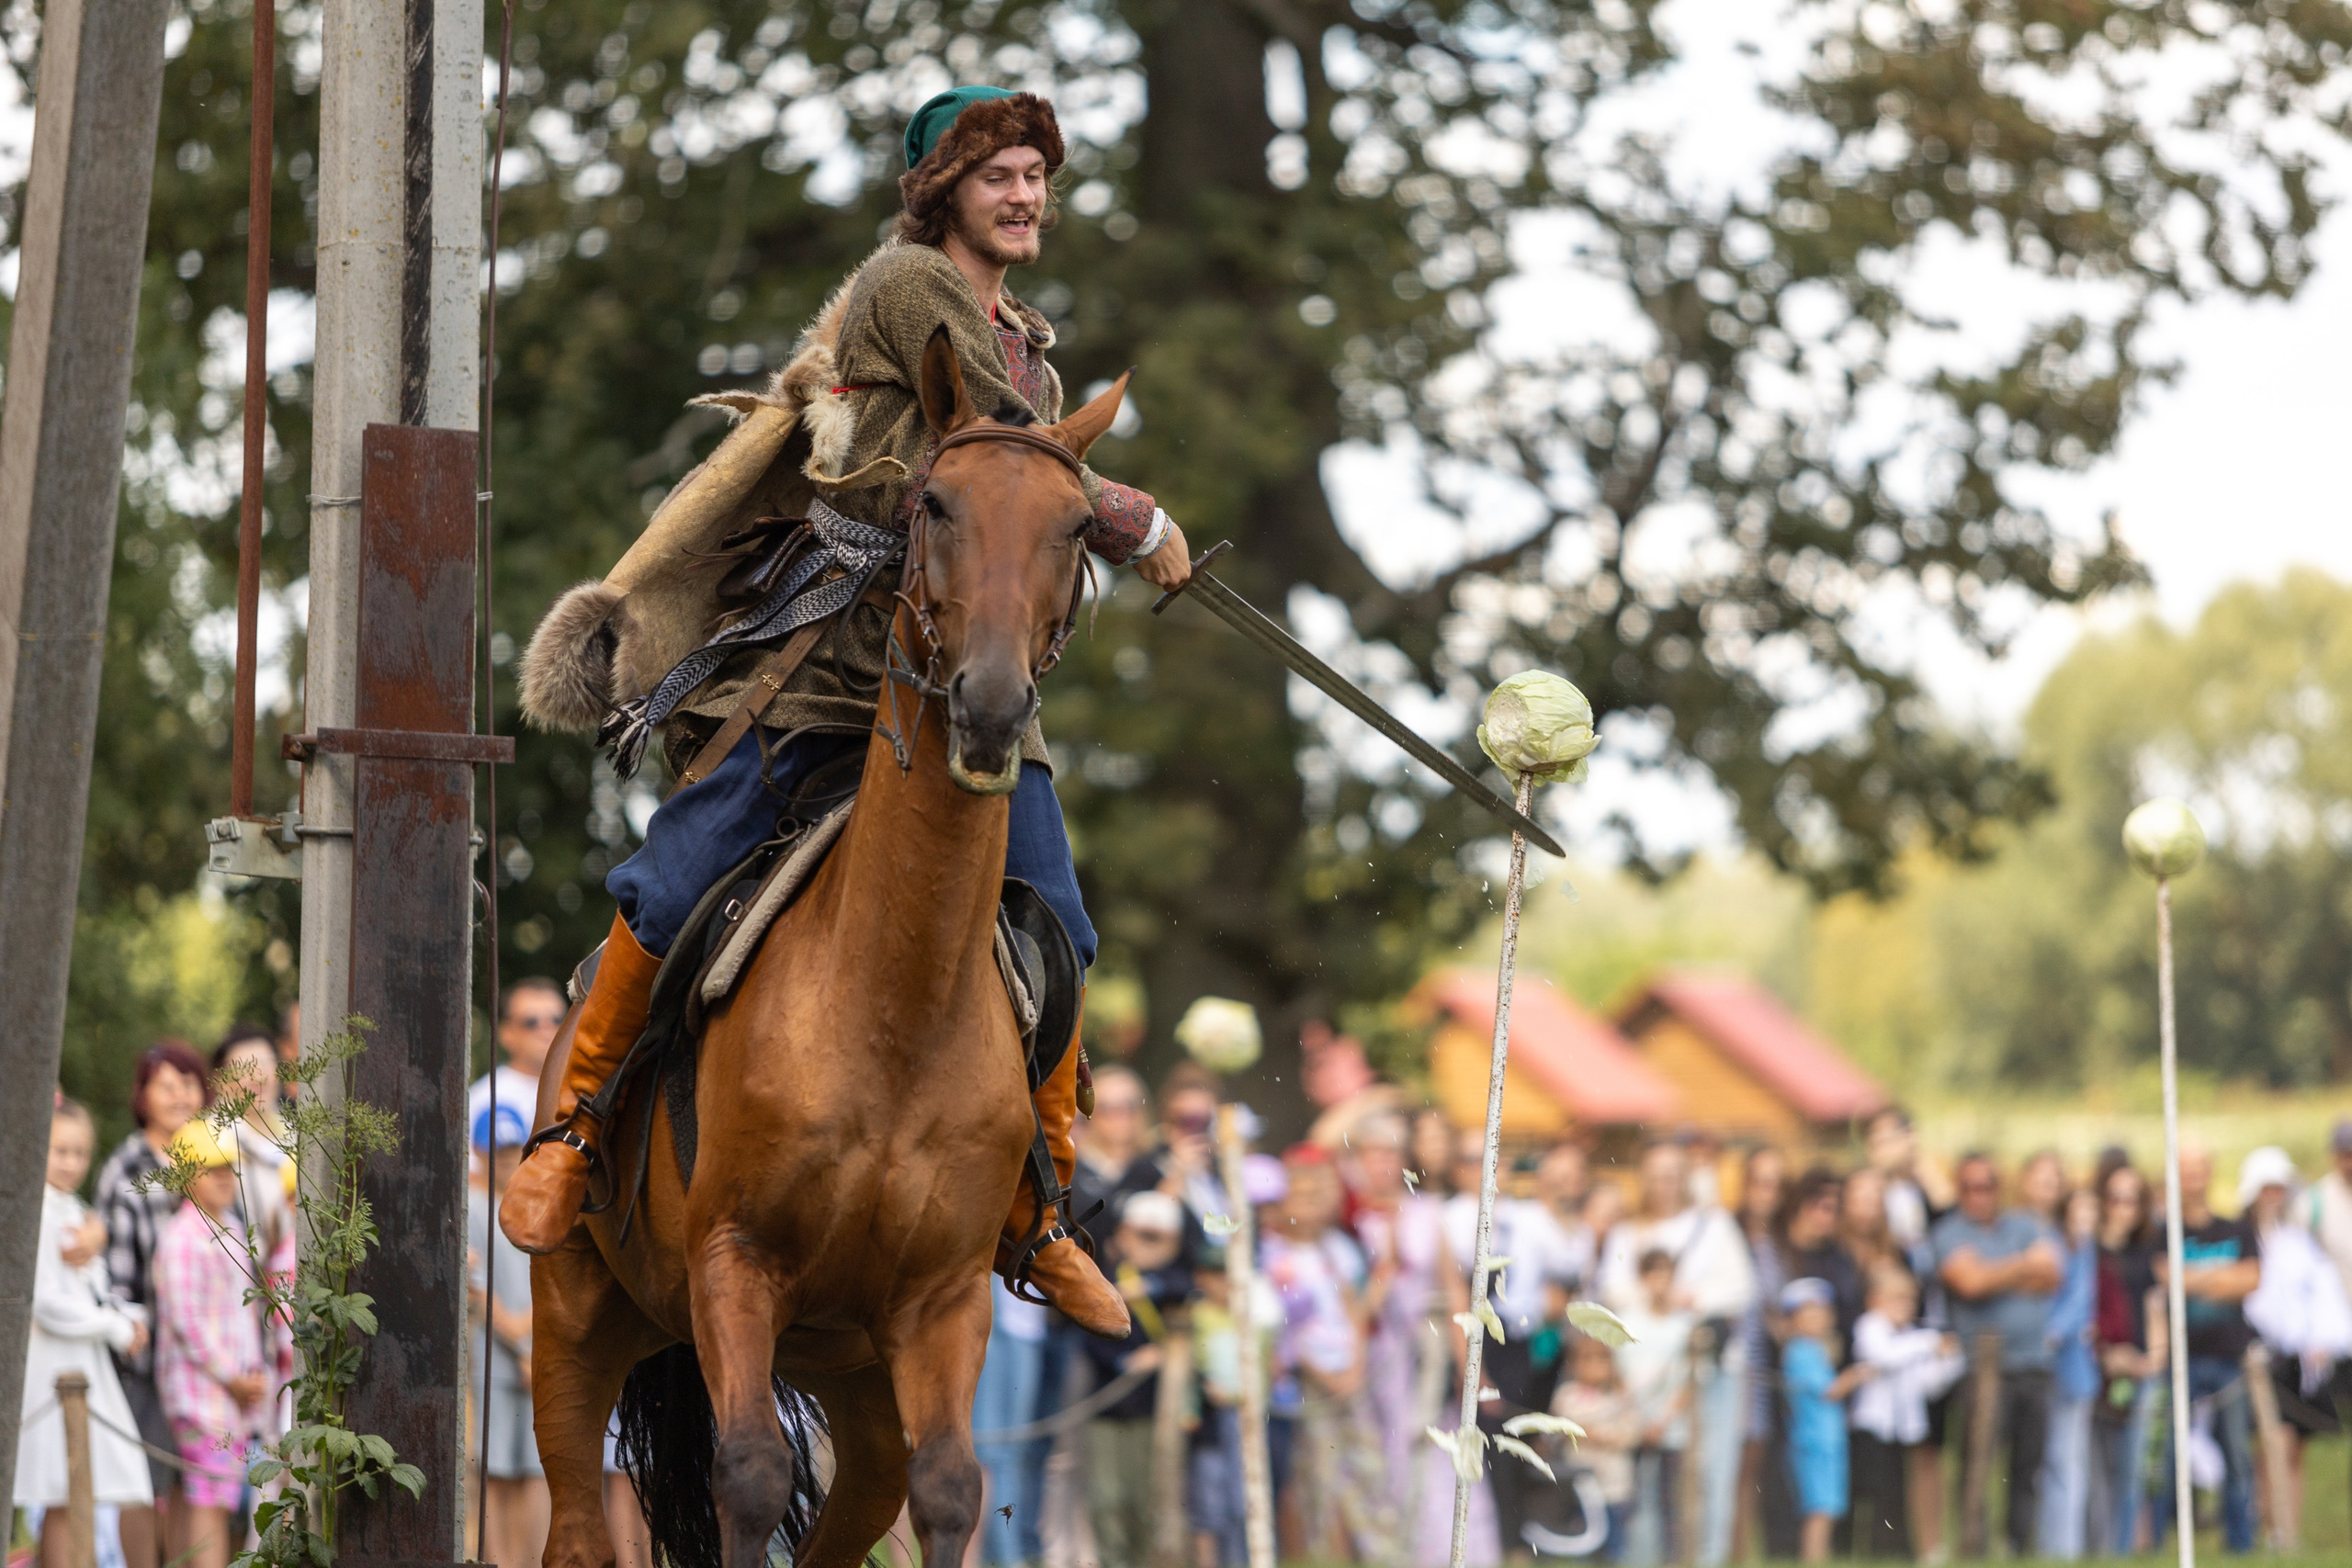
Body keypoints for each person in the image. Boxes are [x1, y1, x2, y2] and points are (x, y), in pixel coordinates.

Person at [500, 85, 1195, 1346]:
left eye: (1039, 173)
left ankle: (1038, 1212)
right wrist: (1129, 515)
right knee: (673, 880)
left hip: (979, 697)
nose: (1026, 193)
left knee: (1068, 933)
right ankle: (576, 1123)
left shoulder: (1029, 340)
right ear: (945, 190)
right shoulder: (907, 286)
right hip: (832, 679)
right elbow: (1000, 446)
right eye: (1000, 174)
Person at [1593, 1140, 1753, 1568]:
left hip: (1703, 1370)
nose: (1665, 1183)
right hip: (1643, 1373)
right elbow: (1612, 1289)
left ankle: (1704, 1557)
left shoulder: (1714, 1225)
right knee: (1641, 1474)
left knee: (1708, 1468)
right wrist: (1654, 1298)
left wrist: (1690, 1298)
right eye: (1657, 1174)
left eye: (1673, 1174)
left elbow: (1740, 1287)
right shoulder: (1629, 1231)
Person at [17, 1097, 154, 1568]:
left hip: (78, 1365)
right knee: (61, 1488)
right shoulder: (35, 1212)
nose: (72, 1162)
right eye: (61, 1151)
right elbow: (47, 1302)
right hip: (53, 1370)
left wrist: (127, 1317)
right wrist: (114, 1328)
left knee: (74, 1492)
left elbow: (86, 1294)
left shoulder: (72, 1209)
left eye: (80, 1152)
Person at [94, 1040, 210, 1568]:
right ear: (142, 1096)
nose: (179, 1095)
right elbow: (114, 1281)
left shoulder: (213, 1155)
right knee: (142, 1481)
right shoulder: (126, 1169)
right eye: (165, 1085)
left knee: (193, 1483)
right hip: (147, 1357)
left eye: (187, 1083)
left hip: (205, 1358)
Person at [153, 1120, 277, 1568]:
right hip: (202, 1395)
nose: (225, 1178)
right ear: (186, 1178)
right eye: (211, 1169)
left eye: (229, 1168)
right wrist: (233, 1378)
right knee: (210, 1497)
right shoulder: (183, 1237)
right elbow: (188, 1324)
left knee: (209, 1497)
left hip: (230, 1396)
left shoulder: (233, 1229)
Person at [1931, 1150, 2063, 1558]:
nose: (1979, 1195)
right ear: (1959, 1190)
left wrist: (1994, 1272)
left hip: (2033, 1366)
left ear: (1998, 1187)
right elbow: (1968, 1283)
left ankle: (2018, 1548)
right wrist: (2023, 1266)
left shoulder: (2023, 1224)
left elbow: (2053, 1274)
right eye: (1969, 1187)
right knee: (1978, 1465)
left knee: (2027, 1466)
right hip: (1982, 1369)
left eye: (1986, 1185)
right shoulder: (1949, 1232)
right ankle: (1973, 1548)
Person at [2238, 1145, 2352, 1546]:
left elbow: (2323, 1294)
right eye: (2267, 1188)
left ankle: (2290, 1531)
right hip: (2261, 1356)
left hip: (2301, 1358)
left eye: (2279, 1189)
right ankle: (2271, 1523)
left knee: (2295, 1447)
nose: (2274, 1197)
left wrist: (2323, 1340)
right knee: (2274, 1444)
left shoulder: (2298, 1240)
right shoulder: (2244, 1238)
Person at [1079, 1191, 1191, 1568]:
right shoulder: (1105, 1275)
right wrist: (1129, 1361)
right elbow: (1091, 1334)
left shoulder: (1171, 1281)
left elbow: (1188, 1286)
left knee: (1148, 1499)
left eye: (1159, 1238)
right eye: (1144, 1235)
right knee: (1108, 1498)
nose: (1150, 1245)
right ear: (1124, 1233)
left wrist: (1151, 1286)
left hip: (1156, 1410)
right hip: (1109, 1405)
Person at [2160, 1144, 2260, 1552]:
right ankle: (2161, 1544)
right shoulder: (2163, 1230)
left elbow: (2250, 1280)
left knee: (2237, 1453)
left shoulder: (2235, 1229)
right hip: (2179, 1360)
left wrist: (2190, 1277)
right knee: (2170, 1456)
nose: (2193, 1177)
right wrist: (2220, 1276)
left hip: (2227, 1359)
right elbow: (2165, 1278)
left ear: (2210, 1172)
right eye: (2184, 1169)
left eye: (2199, 1168)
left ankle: (2240, 1545)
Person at [468, 1102, 548, 1568]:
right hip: (495, 1360)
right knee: (494, 1471)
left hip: (538, 1358)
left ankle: (531, 1560)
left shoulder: (537, 1205)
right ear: (479, 1152)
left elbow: (553, 1278)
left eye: (510, 1149)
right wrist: (520, 1343)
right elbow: (477, 1293)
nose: (502, 1158)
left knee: (535, 1471)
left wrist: (532, 1345)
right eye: (494, 1149)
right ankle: (498, 1561)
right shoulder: (475, 1208)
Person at [1847, 1265, 1962, 1561]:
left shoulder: (1911, 1336)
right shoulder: (1870, 1327)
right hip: (1873, 1427)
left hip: (1903, 1429)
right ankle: (1870, 1552)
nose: (1904, 1306)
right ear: (1875, 1300)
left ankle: (1900, 1552)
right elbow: (1886, 1356)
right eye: (1895, 1299)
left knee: (1900, 1493)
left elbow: (1928, 1384)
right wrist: (1929, 1344)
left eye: (1909, 1300)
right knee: (1876, 1494)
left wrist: (1948, 1360)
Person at [2091, 1161, 2165, 1555]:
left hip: (2139, 1373)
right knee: (2097, 1469)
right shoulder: (2088, 1249)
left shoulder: (2147, 1248)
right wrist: (2106, 1355)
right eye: (2116, 1198)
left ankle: (2120, 1552)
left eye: (2132, 1200)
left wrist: (2152, 1360)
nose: (2123, 1207)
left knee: (2133, 1469)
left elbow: (2156, 1306)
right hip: (2097, 1369)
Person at [1780, 1279, 1871, 1565]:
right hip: (1815, 1443)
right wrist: (1856, 1376)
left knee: (1827, 1508)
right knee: (1820, 1509)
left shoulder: (1815, 1350)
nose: (1818, 1320)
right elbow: (1829, 1391)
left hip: (1826, 1441)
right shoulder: (1801, 1351)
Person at [1729, 1145, 1792, 1564]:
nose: (1767, 1193)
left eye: (1776, 1185)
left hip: (1764, 1368)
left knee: (1751, 1465)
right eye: (1760, 1182)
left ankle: (1740, 1553)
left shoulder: (1782, 1245)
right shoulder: (1725, 1232)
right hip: (1729, 1363)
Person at [1613, 1249, 1694, 1567]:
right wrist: (1637, 1417)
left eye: (1666, 1274)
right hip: (1633, 1425)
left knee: (1668, 1500)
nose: (1660, 1282)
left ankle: (1669, 1560)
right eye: (1654, 1274)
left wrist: (1663, 1419)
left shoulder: (1683, 1325)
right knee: (1629, 1496)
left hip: (1670, 1429)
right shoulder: (1628, 1321)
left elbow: (1687, 1381)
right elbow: (1619, 1375)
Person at [2037, 1184, 2103, 1559]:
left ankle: (2065, 1548)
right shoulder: (2054, 1244)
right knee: (2053, 1461)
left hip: (2072, 1370)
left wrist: (2051, 1333)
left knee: (2067, 1460)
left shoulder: (2084, 1250)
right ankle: (2053, 1545)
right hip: (2049, 1366)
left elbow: (2079, 1303)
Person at [1546, 1335, 1639, 1562]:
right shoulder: (1567, 1396)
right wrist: (1579, 1430)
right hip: (1581, 1486)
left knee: (1615, 1543)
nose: (1595, 1366)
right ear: (1575, 1363)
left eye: (1601, 1360)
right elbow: (1559, 1426)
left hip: (1614, 1485)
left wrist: (1602, 1435)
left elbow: (1632, 1432)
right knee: (1584, 1541)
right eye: (1587, 1360)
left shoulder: (1619, 1396)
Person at [470, 977, 566, 1143]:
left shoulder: (585, 1090)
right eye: (531, 1022)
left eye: (556, 1021)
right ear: (506, 1033)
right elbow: (469, 1167)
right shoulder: (486, 1098)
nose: (546, 1030)